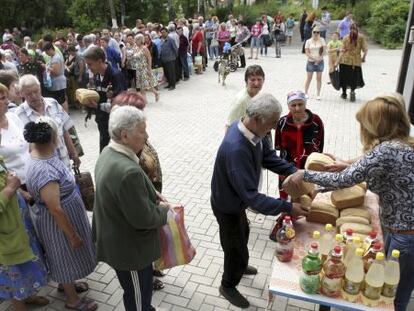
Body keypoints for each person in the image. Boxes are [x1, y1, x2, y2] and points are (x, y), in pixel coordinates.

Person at [285, 93, 414, 311]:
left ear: (376, 125)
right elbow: (370, 161)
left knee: (392, 297)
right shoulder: (403, 143)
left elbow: (342, 180)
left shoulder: (386, 151)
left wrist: (305, 174)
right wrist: (348, 164)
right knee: (397, 289)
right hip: (402, 231)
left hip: (405, 236)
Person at [211, 93, 308, 308]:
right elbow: (253, 199)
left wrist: (294, 171)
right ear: (256, 118)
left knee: (243, 233)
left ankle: (241, 265)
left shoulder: (253, 131)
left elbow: (268, 158)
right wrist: (289, 207)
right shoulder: (236, 148)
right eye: (272, 122)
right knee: (233, 245)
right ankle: (227, 285)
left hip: (238, 201)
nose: (274, 127)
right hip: (227, 205)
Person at [93, 106, 174, 311]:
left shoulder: (109, 151)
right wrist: (165, 211)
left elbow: (121, 194)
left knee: (139, 289)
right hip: (130, 251)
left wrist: (151, 193)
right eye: (142, 131)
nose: (146, 136)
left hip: (117, 239)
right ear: (125, 135)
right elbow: (144, 218)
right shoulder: (128, 171)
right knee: (137, 293)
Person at [24, 117, 97, 311]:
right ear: (52, 137)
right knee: (63, 255)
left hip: (62, 217)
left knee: (65, 256)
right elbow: (55, 208)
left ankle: (67, 285)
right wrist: (72, 235)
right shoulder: (44, 171)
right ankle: (72, 300)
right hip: (57, 223)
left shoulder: (39, 151)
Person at [0, 83, 49, 311]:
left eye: (2, 96)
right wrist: (13, 189)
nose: (2, 101)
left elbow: (28, 145)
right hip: (8, 211)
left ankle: (28, 294)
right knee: (12, 262)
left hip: (23, 195)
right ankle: (19, 302)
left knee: (30, 249)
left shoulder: (14, 117)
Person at [15, 74, 80, 169]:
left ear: (40, 88)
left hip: (64, 164)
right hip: (43, 171)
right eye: (29, 93)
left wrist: (74, 153)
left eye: (36, 91)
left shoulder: (53, 103)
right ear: (21, 94)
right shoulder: (18, 114)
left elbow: (65, 130)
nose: (34, 96)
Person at [274, 91, 324, 199]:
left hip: (308, 167)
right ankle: (287, 213)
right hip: (287, 166)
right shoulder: (282, 123)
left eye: (300, 104)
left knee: (308, 198)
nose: (297, 108)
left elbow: (320, 146)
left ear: (305, 104)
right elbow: (278, 147)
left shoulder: (316, 121)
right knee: (287, 194)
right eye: (293, 105)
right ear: (288, 106)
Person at [82, 46, 126, 152]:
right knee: (104, 151)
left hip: (116, 124)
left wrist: (97, 106)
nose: (88, 67)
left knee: (116, 153)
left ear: (100, 61)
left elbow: (120, 105)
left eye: (90, 64)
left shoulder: (115, 75)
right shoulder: (97, 76)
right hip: (102, 122)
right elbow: (100, 96)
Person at [225, 65, 265, 130]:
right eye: (252, 80)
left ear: (263, 80)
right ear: (246, 81)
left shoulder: (259, 94)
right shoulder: (241, 101)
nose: (256, 83)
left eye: (259, 79)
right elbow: (229, 125)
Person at [337, 23, 368, 102]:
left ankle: (344, 94)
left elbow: (342, 49)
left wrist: (338, 60)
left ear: (349, 29)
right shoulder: (361, 37)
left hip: (345, 61)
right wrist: (363, 58)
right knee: (354, 78)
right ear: (357, 29)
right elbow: (365, 49)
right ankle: (352, 91)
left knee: (344, 77)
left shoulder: (345, 37)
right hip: (356, 61)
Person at [133, 34, 159, 102]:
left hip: (144, 68)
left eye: (137, 40)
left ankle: (156, 93)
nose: (135, 41)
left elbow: (149, 58)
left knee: (146, 85)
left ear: (140, 40)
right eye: (135, 40)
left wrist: (149, 69)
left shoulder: (144, 48)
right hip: (138, 69)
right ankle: (145, 100)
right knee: (141, 86)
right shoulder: (136, 48)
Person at [42, 42, 67, 111]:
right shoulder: (53, 57)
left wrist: (46, 67)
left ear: (50, 49)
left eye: (46, 51)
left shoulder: (56, 58)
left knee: (61, 100)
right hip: (56, 82)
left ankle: (65, 113)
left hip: (58, 82)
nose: (46, 53)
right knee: (59, 99)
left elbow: (56, 72)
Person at [304, 25, 326, 100]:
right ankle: (306, 93)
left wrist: (319, 58)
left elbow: (324, 51)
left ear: (319, 33)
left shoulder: (322, 40)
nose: (316, 33)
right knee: (309, 78)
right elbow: (307, 52)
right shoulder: (308, 41)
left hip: (320, 61)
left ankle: (318, 94)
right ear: (312, 32)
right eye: (314, 32)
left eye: (317, 32)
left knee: (319, 78)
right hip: (311, 61)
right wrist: (314, 58)